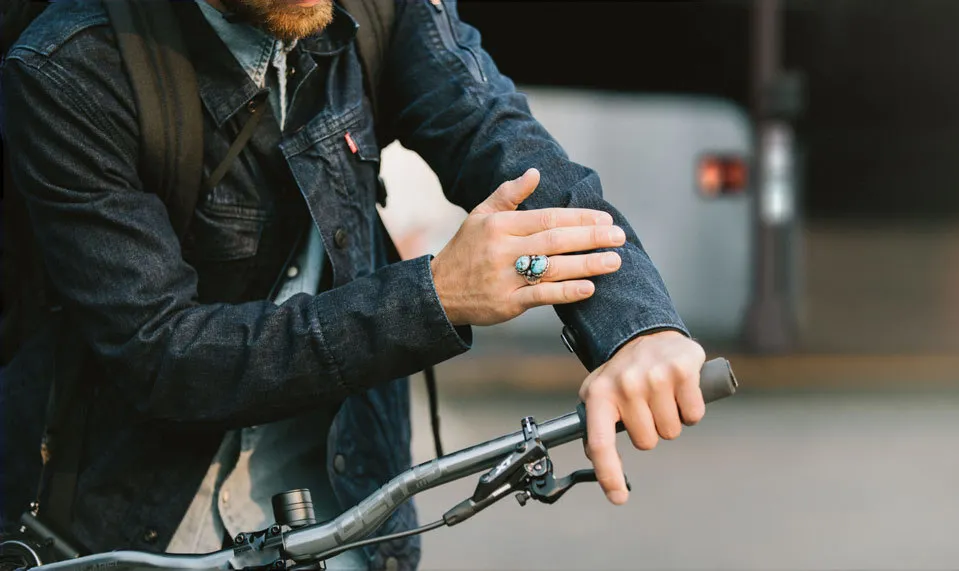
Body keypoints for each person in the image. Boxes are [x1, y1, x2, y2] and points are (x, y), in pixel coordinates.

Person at [0, 1, 706, 569]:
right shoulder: (70, 67)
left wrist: (635, 327)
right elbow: (165, 353)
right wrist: (433, 296)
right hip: (137, 530)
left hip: (348, 516)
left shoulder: (381, 11)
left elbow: (501, 137)